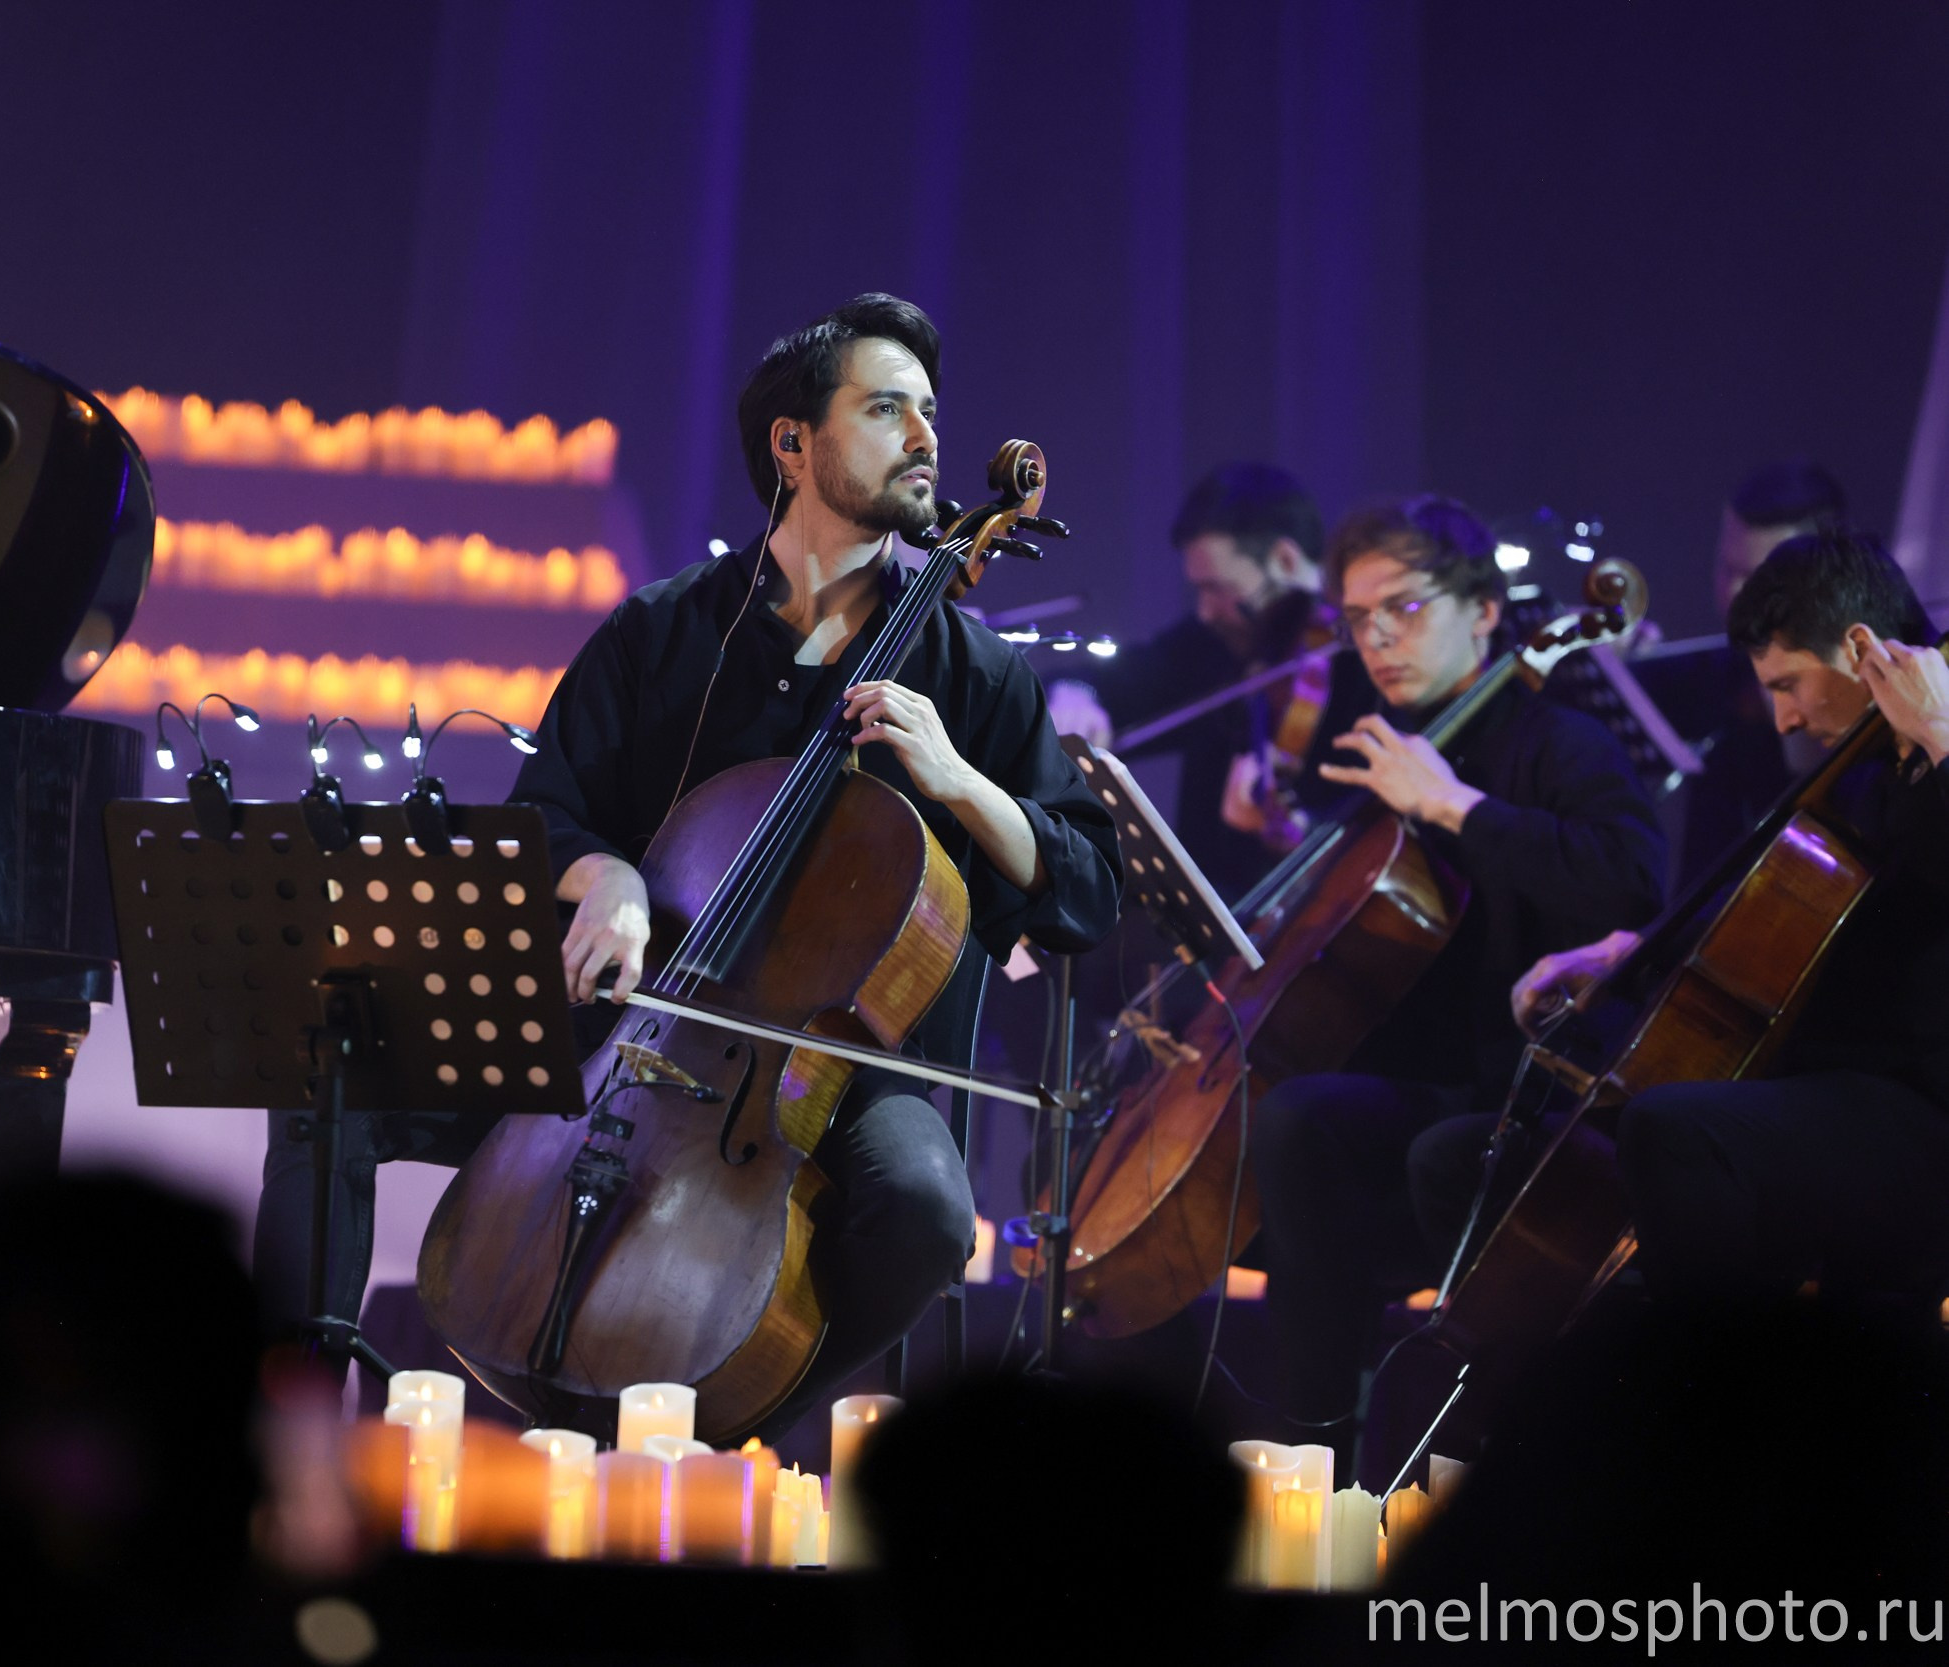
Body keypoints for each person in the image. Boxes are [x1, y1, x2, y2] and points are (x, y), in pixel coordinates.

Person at [254, 294, 1125, 1438]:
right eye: (884, 408)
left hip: (839, 1070)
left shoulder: (975, 673)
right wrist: (605, 878)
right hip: (624, 1030)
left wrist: (957, 776)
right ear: (793, 442)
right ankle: (285, 1429)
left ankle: (730, 1420)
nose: (924, 438)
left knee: (920, 1208)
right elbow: (549, 813)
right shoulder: (658, 633)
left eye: (929, 412)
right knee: (338, 1084)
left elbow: (1085, 890)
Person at [1245, 496, 1666, 1435]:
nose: (1377, 639)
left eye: (1404, 607)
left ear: (1482, 610)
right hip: (1423, 1084)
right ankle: (1310, 1442)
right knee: (1296, 1118)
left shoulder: (1559, 742)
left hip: (1528, 1093)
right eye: (1357, 619)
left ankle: (1466, 1445)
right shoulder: (1397, 750)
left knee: (1337, 1131)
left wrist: (1458, 809)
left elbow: (1637, 885)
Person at [1507, 533, 1949, 1304]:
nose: (1780, 719)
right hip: (1843, 1088)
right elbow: (1773, 914)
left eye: (1788, 685)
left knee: (1674, 1129)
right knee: (1505, 1149)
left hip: (1928, 1106)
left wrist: (1942, 741)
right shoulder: (1863, 772)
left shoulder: (1926, 743)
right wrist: (1636, 947)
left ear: (1857, 647)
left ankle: (1711, 1395)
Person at [1051, 463, 1372, 902]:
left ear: (1285, 560)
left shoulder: (1366, 662)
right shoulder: (1212, 643)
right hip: (1203, 916)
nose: (1205, 610)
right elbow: (1117, 679)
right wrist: (1078, 695)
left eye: (1218, 588)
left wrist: (1300, 827)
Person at [1637, 460, 1851, 887]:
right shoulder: (1715, 671)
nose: (1735, 592)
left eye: (1754, 576)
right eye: (1727, 568)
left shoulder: (1848, 687)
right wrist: (1619, 665)